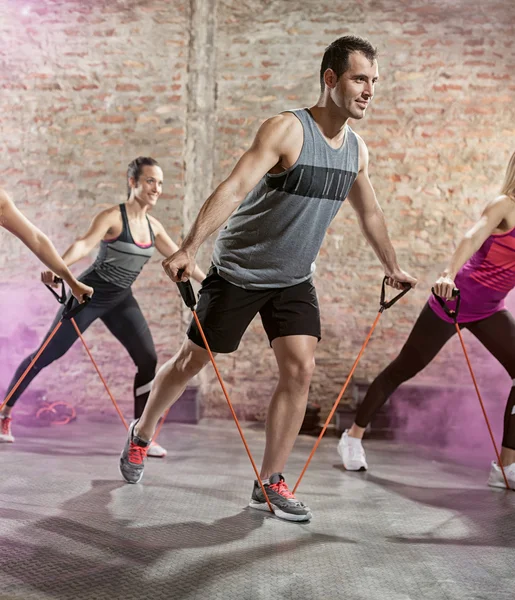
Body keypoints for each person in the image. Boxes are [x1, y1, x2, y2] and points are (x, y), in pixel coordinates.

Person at [119, 36, 416, 521]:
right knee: (192, 361)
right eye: (360, 79)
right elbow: (234, 188)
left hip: (293, 278)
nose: (369, 91)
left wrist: (392, 265)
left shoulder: (356, 152)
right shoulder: (286, 130)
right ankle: (143, 431)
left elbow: (371, 213)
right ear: (330, 79)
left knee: (300, 368)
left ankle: (270, 481)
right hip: (240, 269)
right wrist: (190, 247)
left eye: (374, 82)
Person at [0, 157, 206, 450]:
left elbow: (180, 257)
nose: (156, 188)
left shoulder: (154, 227)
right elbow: (84, 244)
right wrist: (61, 270)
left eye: (160, 183)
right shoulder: (112, 217)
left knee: (147, 359)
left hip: (122, 299)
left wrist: (210, 281)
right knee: (46, 354)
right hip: (90, 295)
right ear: (132, 182)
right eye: (150, 181)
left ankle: (140, 433)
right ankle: (5, 411)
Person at [338, 150, 515, 490]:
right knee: (405, 367)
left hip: (491, 308)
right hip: (454, 300)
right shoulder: (504, 205)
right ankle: (353, 437)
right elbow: (471, 237)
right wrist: (447, 274)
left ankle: (505, 467)